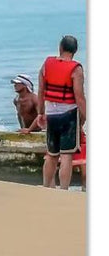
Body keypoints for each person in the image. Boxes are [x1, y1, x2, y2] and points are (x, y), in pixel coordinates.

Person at [35, 35, 86, 190]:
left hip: (51, 114)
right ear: (75, 51)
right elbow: (79, 97)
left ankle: (46, 187)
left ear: (60, 47)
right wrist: (85, 118)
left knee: (51, 154)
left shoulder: (46, 64)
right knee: (66, 155)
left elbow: (41, 90)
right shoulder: (76, 69)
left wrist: (40, 113)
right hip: (69, 114)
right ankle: (64, 190)